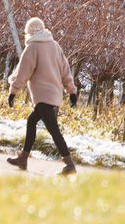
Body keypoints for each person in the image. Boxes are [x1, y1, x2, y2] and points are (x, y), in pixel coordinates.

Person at [7, 17, 79, 175]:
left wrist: (13, 91)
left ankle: (69, 165)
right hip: (54, 95)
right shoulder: (54, 45)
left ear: (28, 32)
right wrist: (71, 91)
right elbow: (65, 69)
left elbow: (22, 73)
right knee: (31, 121)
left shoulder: (32, 47)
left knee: (54, 131)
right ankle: (23, 158)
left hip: (42, 97)